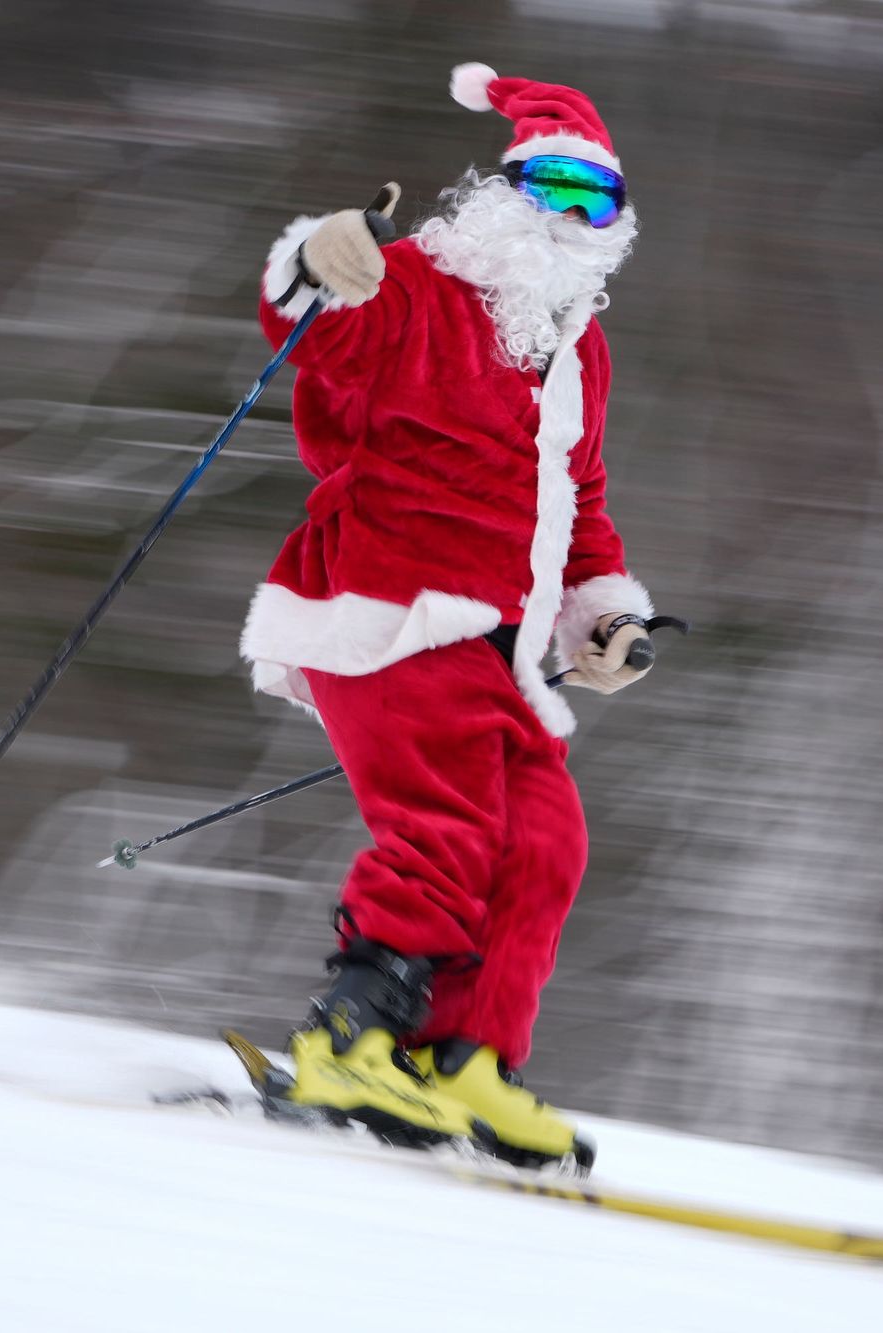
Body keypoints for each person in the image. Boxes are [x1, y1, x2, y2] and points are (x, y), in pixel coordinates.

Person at [238, 63, 659, 1171]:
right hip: (385, 603)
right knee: (444, 828)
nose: (566, 219)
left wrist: (598, 615)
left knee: (543, 842)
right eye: (548, 189)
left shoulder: (578, 347)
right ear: (501, 191)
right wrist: (313, 265)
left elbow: (582, 502)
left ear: (616, 223)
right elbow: (316, 324)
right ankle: (345, 1043)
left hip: (499, 644)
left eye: (594, 201)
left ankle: (461, 1060)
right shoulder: (421, 284)